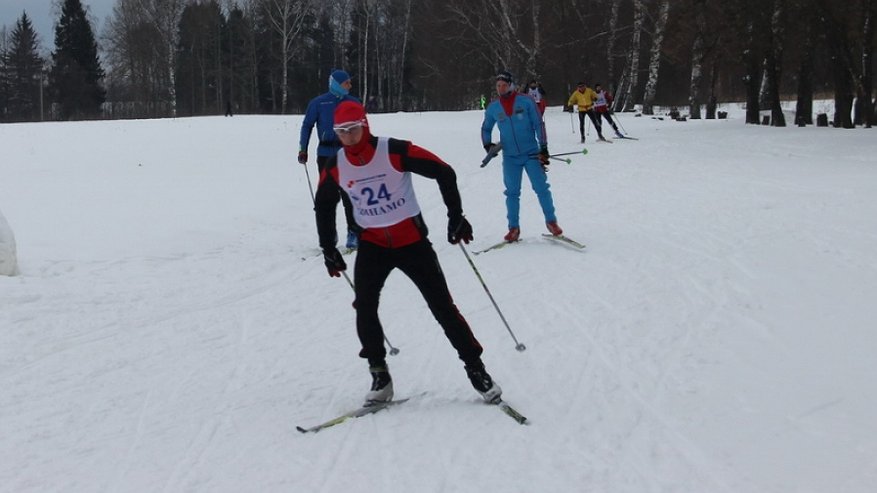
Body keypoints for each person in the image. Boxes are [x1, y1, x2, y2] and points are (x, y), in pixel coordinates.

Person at [314, 100, 502, 406]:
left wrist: (456, 216)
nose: (348, 137)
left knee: (443, 307)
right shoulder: (336, 164)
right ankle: (380, 374)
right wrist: (328, 248)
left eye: (353, 129)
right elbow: (323, 205)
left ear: (365, 125)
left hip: (411, 242)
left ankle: (476, 369)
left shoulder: (394, 150)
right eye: (341, 132)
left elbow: (444, 172)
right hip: (373, 246)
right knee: (364, 306)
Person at [481, 70, 562, 242]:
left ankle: (551, 222)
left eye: (504, 85)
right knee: (511, 193)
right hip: (510, 157)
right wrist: (488, 145)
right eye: (498, 86)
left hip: (531, 154)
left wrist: (544, 147)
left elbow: (538, 123)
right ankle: (513, 228)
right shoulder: (494, 107)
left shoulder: (526, 101)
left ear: (511, 85)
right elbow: (486, 127)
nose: (501, 89)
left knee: (541, 188)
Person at [299, 69, 361, 250]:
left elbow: (362, 128)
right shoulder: (318, 103)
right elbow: (307, 125)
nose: (350, 86)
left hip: (348, 154)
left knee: (350, 194)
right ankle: (330, 233)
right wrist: (303, 149)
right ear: (336, 84)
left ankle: (354, 232)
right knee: (328, 196)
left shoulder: (353, 102)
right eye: (346, 83)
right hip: (326, 154)